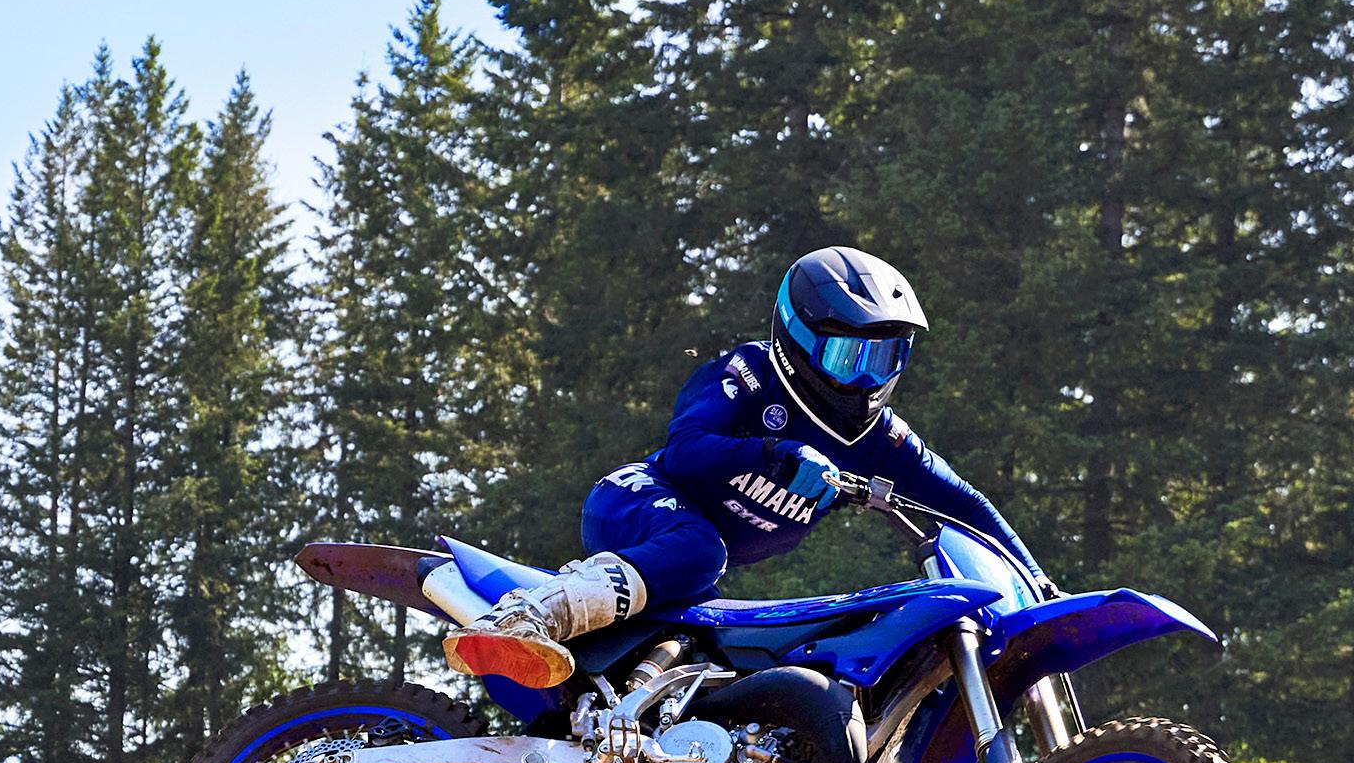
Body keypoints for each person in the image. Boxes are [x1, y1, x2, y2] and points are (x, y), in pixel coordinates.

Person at [447, 245, 1054, 691]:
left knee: (721, 662)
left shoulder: (882, 440)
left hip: (692, 572)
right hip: (636, 501)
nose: (867, 379)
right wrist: (775, 454)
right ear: (800, 338)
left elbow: (965, 504)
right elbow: (685, 449)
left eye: (885, 357)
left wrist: (1038, 584)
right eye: (849, 356)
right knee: (699, 548)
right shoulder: (748, 375)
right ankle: (525, 616)